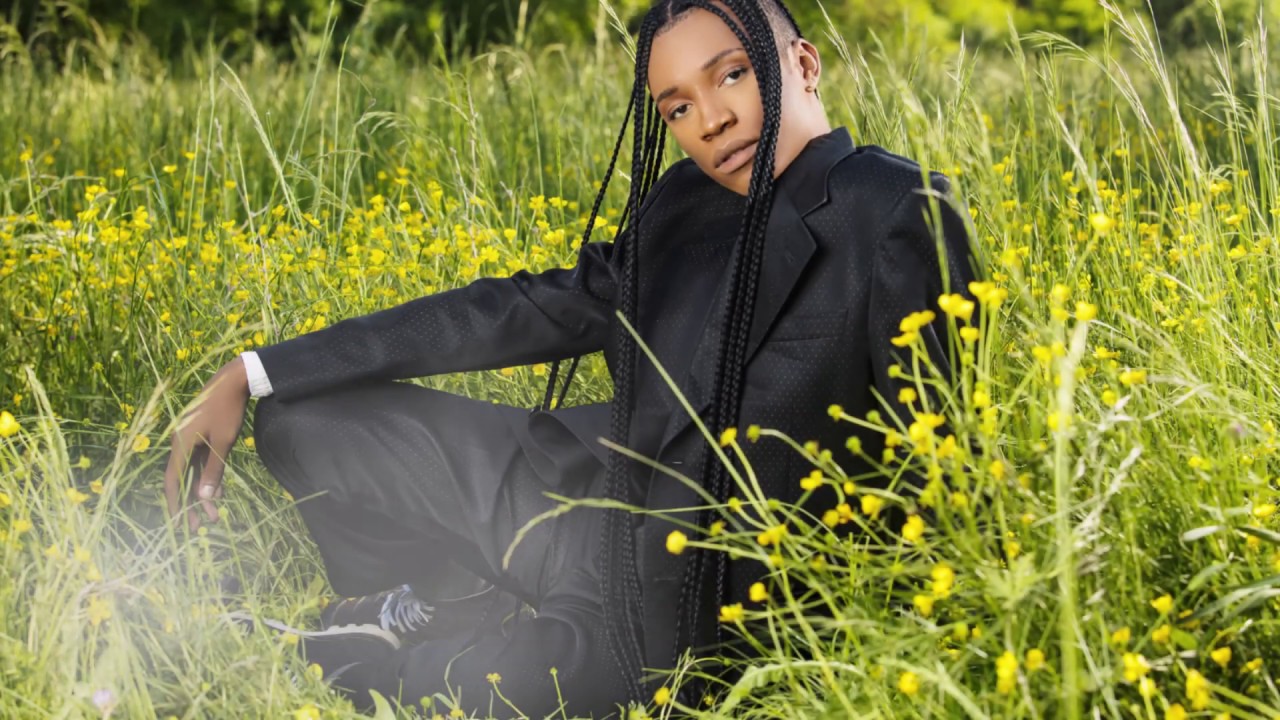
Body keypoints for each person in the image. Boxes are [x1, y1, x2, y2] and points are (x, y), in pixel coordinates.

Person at [163, 0, 984, 716]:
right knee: (304, 416)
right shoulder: (683, 202)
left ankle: (336, 656)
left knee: (497, 685)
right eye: (677, 107)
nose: (710, 120)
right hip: (575, 500)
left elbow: (935, 465)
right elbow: (521, 310)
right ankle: (444, 605)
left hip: (684, 603)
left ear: (801, 64)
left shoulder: (894, 210)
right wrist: (254, 370)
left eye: (731, 75)